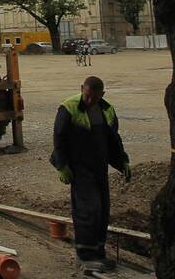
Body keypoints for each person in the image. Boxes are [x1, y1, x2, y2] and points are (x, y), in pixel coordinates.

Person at [50, 76, 132, 272]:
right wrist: (61, 165)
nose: (89, 101)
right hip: (80, 168)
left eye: (93, 97)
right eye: (86, 96)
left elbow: (113, 139)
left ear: (102, 95)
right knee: (88, 210)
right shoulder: (68, 107)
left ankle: (98, 254)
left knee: (102, 210)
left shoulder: (107, 109)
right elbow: (58, 137)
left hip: (99, 167)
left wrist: (123, 161)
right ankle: (84, 256)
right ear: (82, 89)